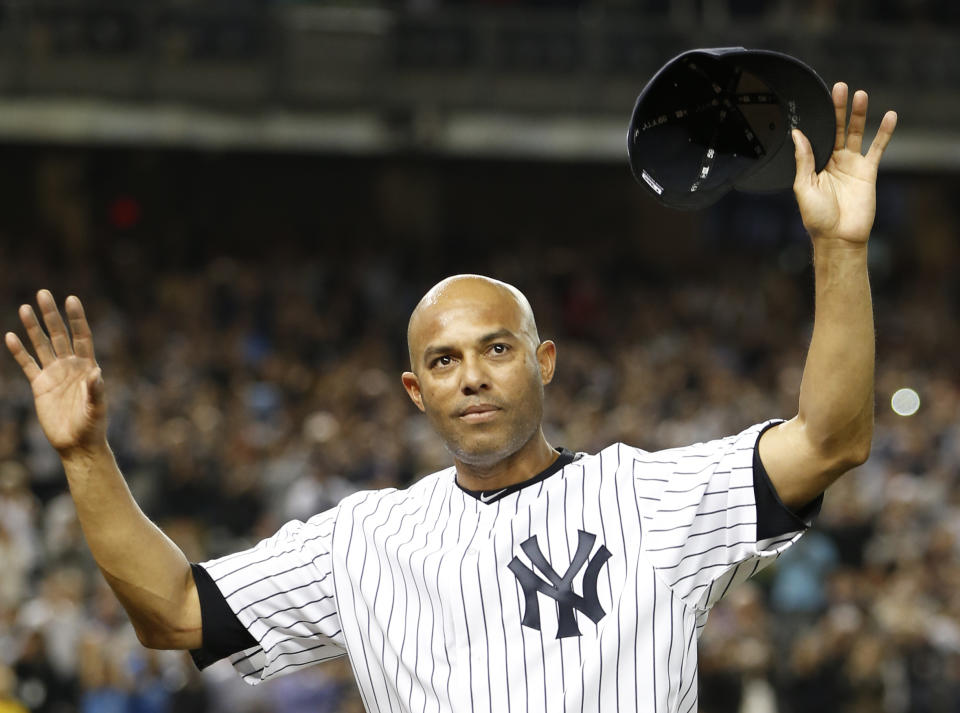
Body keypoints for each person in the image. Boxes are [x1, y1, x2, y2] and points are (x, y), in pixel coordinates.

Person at [5, 83, 896, 712]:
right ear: (414, 390)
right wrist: (86, 455)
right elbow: (172, 612)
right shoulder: (361, 541)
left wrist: (839, 252)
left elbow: (830, 439)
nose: (471, 373)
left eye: (497, 349)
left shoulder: (647, 498)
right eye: (443, 360)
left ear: (544, 361)